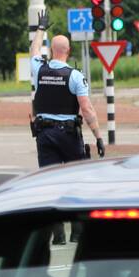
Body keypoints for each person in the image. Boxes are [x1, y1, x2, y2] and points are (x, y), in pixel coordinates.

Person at [29, 10, 105, 168]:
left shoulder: (39, 70)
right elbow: (87, 109)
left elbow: (34, 50)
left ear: (51, 50)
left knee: (49, 176)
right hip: (68, 136)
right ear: (68, 51)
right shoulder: (75, 76)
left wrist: (41, 28)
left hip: (45, 134)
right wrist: (98, 137)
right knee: (74, 174)